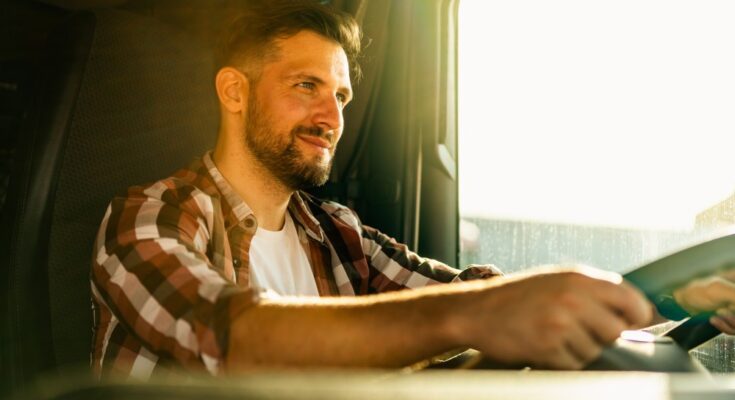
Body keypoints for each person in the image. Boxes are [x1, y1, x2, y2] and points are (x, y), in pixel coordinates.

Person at [90, 0, 653, 378]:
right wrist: (468, 315)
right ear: (235, 93)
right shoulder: (148, 217)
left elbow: (464, 290)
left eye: (340, 97)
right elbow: (229, 337)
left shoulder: (335, 233)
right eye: (306, 86)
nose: (330, 116)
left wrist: (665, 301)